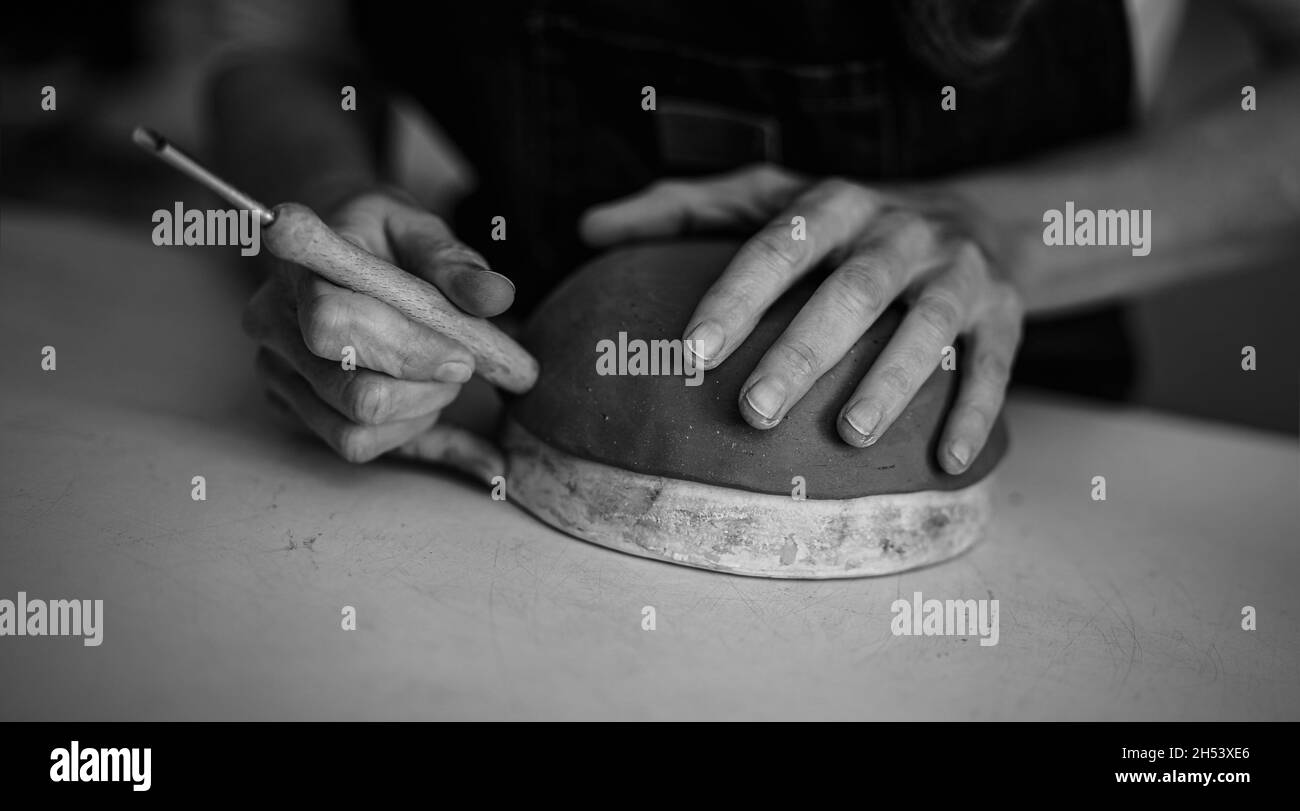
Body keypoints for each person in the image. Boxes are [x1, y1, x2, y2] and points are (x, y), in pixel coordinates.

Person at [218, 0, 1300, 481]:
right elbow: (273, 51)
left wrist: (995, 228)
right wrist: (330, 209)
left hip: (1004, 456)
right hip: (491, 427)